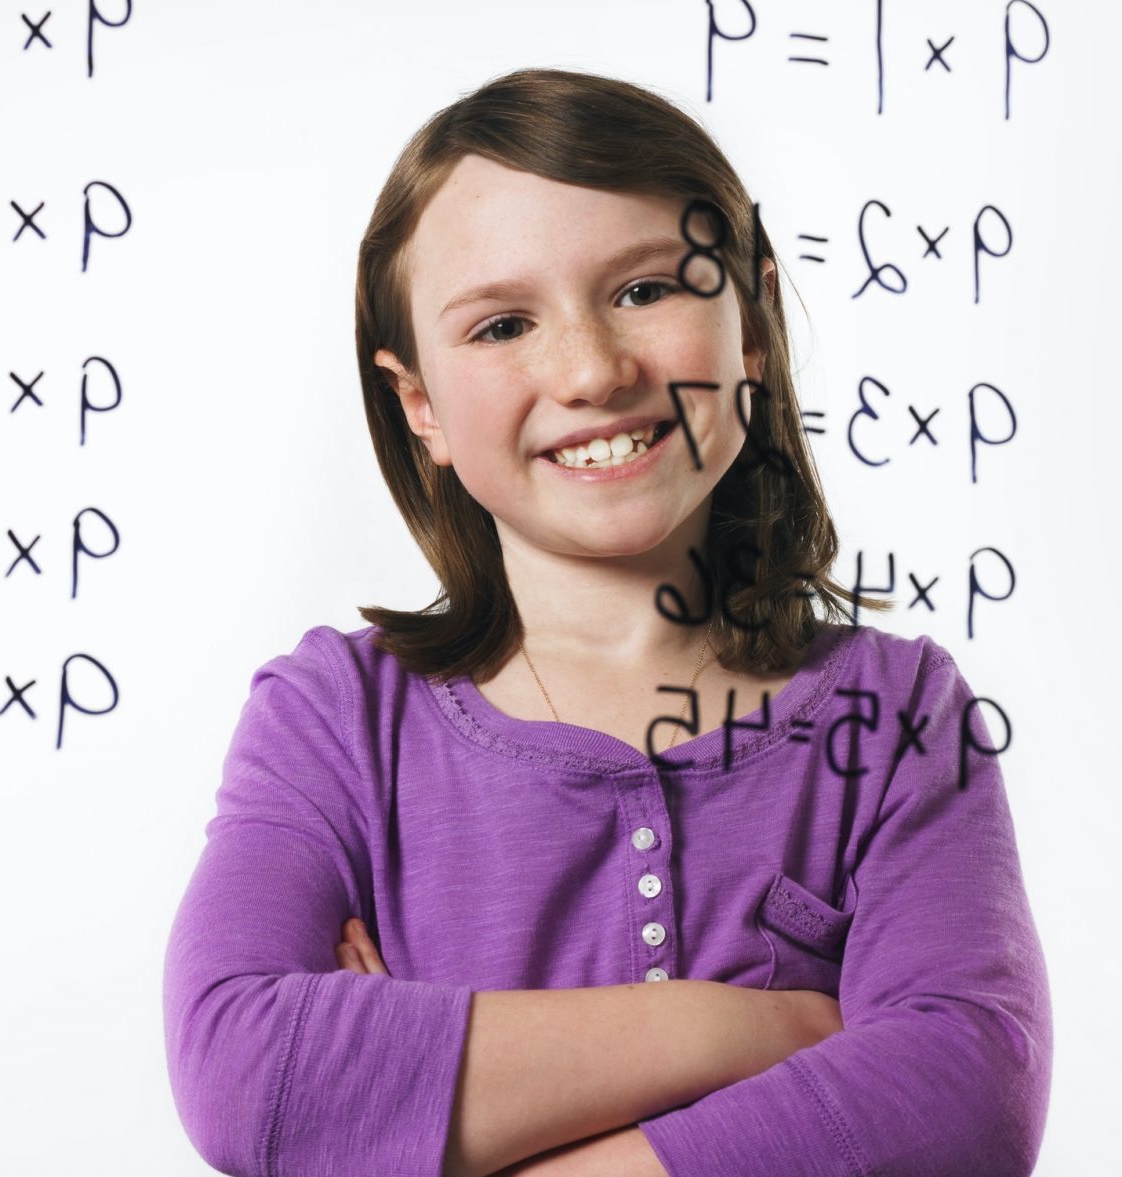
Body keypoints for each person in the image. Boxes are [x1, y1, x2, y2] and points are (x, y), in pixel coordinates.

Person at [162, 67, 1051, 1177]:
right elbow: (248, 1073)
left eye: (643, 291)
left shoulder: (898, 715)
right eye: (500, 324)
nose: (589, 370)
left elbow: (965, 1101)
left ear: (753, 325)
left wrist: (432, 1105)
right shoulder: (333, 719)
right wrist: (766, 1030)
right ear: (418, 404)